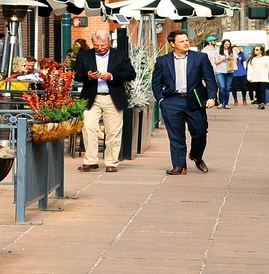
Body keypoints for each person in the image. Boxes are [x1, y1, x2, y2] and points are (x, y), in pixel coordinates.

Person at [152, 30, 217, 175]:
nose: (186, 43)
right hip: (172, 101)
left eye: (187, 40)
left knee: (200, 132)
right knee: (176, 135)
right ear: (172, 44)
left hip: (194, 101)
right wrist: (161, 100)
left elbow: (210, 79)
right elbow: (156, 83)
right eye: (181, 41)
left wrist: (212, 97)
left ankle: (196, 155)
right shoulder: (163, 61)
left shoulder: (200, 58)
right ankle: (179, 166)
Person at [73, 30, 137, 173]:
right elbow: (76, 74)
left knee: (113, 131)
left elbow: (130, 73)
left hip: (112, 97)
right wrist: (88, 76)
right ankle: (90, 160)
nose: (100, 48)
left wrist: (111, 76)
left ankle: (111, 162)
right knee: (88, 127)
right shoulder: (84, 55)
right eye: (96, 45)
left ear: (109, 43)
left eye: (103, 45)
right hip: (91, 97)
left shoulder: (120, 55)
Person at [202, 36, 231, 109]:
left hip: (218, 69)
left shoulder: (218, 49)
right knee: (213, 85)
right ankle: (212, 99)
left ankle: (218, 100)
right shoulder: (205, 50)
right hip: (209, 70)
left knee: (220, 86)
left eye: (216, 40)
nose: (215, 41)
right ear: (209, 42)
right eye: (214, 40)